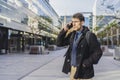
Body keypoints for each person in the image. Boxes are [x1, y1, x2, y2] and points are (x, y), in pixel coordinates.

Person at [56, 13, 102, 80]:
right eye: (72, 22)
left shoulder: (89, 35)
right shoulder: (72, 35)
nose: (73, 24)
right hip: (73, 70)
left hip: (84, 71)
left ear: (82, 22)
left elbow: (98, 52)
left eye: (76, 22)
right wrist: (64, 30)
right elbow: (59, 43)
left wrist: (86, 63)